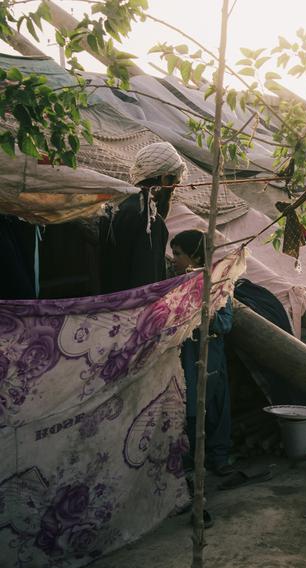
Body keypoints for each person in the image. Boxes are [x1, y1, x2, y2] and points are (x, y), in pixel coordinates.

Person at [171, 229, 235, 476]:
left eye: (178, 254)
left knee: (215, 404)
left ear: (195, 257)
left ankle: (219, 458)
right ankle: (190, 460)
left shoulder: (219, 285)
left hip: (210, 354)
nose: (174, 259)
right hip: (184, 355)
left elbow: (225, 323)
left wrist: (203, 311)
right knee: (188, 407)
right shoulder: (174, 282)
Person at [98, 142, 185, 293]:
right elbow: (149, 284)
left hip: (105, 299)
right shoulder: (150, 222)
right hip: (129, 308)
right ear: (165, 179)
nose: (173, 192)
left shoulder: (116, 205)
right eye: (174, 185)